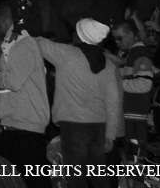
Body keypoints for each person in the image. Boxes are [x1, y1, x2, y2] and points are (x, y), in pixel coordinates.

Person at [36, 19, 122, 188]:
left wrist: (25, 27)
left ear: (79, 35)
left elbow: (39, 43)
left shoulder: (66, 53)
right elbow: (113, 101)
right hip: (99, 126)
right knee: (98, 177)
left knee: (76, 179)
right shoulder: (108, 64)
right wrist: (110, 134)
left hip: (73, 126)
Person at [0, 1, 50, 188]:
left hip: (27, 128)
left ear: (5, 19)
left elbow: (13, 82)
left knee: (33, 182)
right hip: (16, 125)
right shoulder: (12, 44)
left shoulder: (23, 44)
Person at [109, 19, 155, 144]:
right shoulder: (124, 53)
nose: (116, 42)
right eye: (114, 39)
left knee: (136, 155)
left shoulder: (141, 53)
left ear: (130, 34)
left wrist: (114, 84)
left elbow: (144, 85)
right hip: (125, 114)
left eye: (120, 38)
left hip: (136, 115)